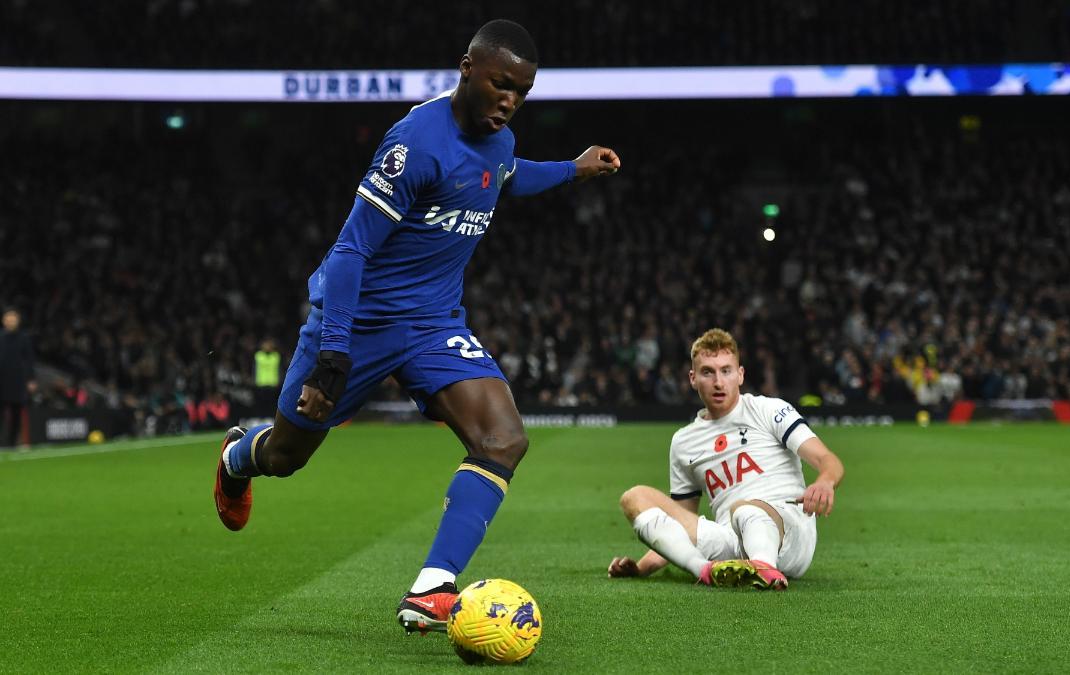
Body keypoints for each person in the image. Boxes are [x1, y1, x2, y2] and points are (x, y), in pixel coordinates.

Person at [211, 19, 620, 633]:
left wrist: (572, 170)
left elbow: (508, 177)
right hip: (358, 322)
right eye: (500, 84)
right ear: (467, 68)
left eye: (522, 92)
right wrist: (333, 355)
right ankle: (240, 457)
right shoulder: (415, 146)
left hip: (433, 324)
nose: (510, 101)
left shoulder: (499, 137)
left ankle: (432, 588)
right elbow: (351, 252)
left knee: (504, 438)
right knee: (288, 456)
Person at [608, 328, 844, 589]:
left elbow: (827, 459)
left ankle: (763, 567)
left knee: (743, 508)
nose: (718, 382)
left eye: (726, 371)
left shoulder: (769, 410)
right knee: (634, 497)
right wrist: (642, 568)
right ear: (693, 378)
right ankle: (706, 570)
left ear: (740, 375)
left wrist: (825, 482)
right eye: (708, 372)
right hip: (729, 541)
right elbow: (680, 523)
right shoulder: (683, 441)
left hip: (788, 534)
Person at [0, 308, 36, 448]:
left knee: (16, 415)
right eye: (8, 319)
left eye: (13, 319)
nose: (11, 321)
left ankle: (11, 444)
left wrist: (31, 379)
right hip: (1, 382)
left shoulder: (24, 338)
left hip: (17, 382)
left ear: (18, 321)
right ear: (4, 321)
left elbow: (29, 360)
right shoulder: (0, 337)